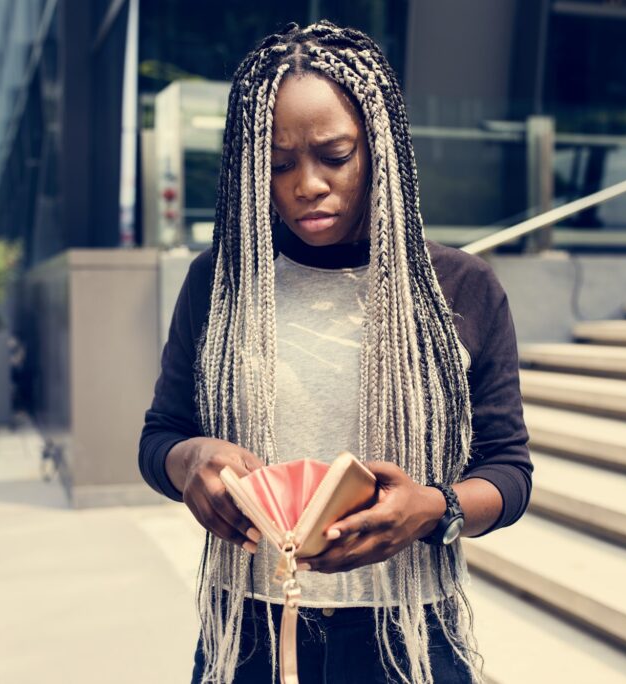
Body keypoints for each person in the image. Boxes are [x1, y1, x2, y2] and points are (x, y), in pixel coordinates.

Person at [139, 20, 532, 684]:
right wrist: (190, 462)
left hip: (407, 638)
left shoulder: (462, 289)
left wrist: (432, 509)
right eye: (279, 163)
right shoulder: (219, 282)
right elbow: (161, 438)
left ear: (378, 149)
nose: (306, 184)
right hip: (250, 634)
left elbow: (508, 471)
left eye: (334, 154)